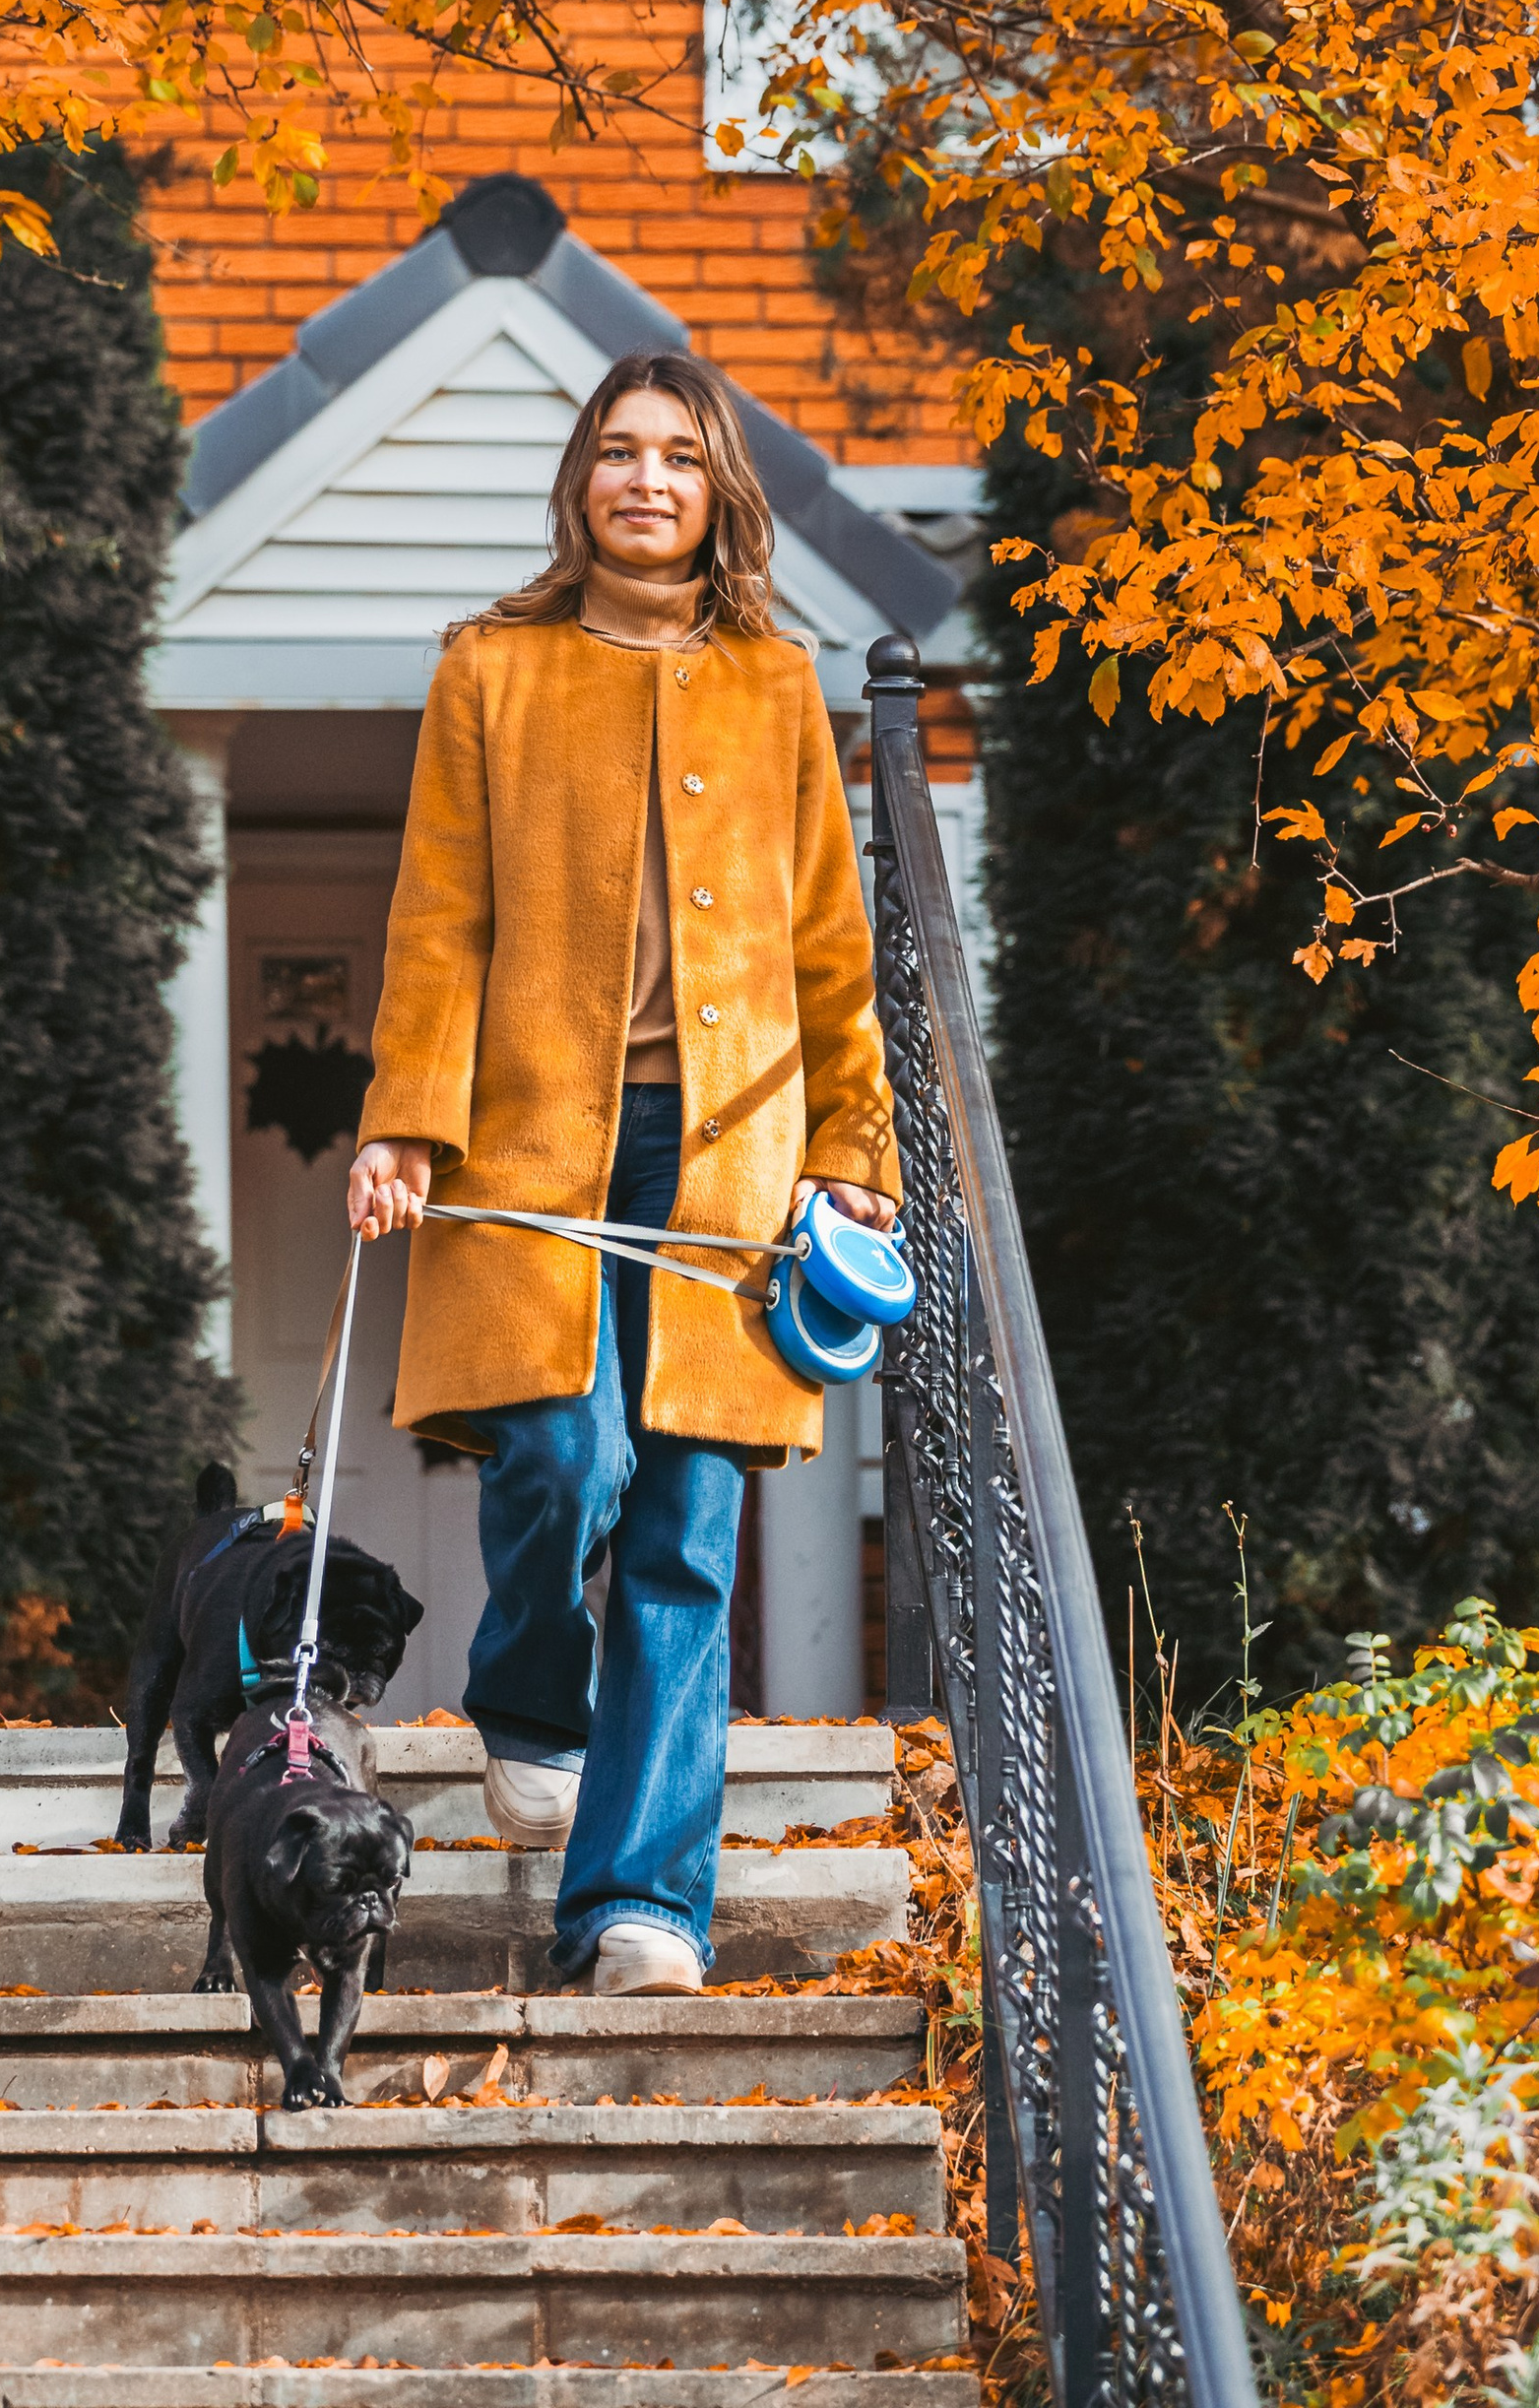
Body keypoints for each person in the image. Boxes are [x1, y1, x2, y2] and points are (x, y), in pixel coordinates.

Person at [348, 350, 899, 1995]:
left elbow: (828, 949)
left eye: (676, 455)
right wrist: (399, 1121)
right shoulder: (492, 672)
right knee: (560, 1460)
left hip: (734, 1161)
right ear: (579, 482)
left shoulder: (777, 685)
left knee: (686, 1533)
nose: (644, 479)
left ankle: (642, 1909)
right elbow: (439, 920)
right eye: (616, 452)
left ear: (720, 490)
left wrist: (854, 1147)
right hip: (532, 1143)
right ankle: (526, 1698)